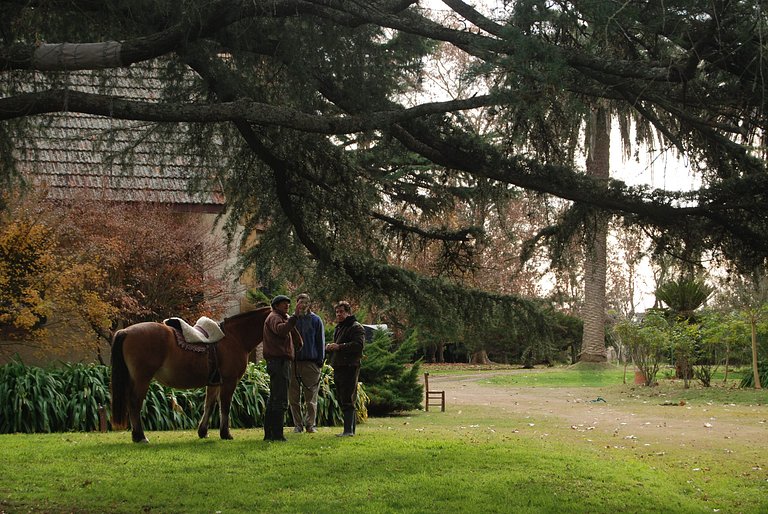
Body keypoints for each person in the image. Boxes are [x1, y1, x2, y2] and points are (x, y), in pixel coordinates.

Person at [262, 294, 304, 441]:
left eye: (288, 303)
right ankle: (277, 435)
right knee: (279, 399)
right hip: (278, 362)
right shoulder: (274, 317)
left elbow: (288, 331)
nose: (286, 305)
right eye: (283, 303)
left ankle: (270, 434)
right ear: (276, 305)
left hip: (279, 362)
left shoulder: (280, 317)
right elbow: (281, 330)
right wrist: (294, 317)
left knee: (274, 398)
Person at [325, 300, 365, 437]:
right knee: (342, 398)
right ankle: (349, 430)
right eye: (337, 312)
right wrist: (330, 347)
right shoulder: (339, 327)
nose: (339, 314)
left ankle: (349, 430)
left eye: (341, 312)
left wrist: (339, 347)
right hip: (338, 366)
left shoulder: (356, 327)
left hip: (350, 366)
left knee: (348, 398)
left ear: (348, 312)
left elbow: (358, 346)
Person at [289, 292, 326, 433]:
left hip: (311, 363)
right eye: (300, 302)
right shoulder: (291, 320)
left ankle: (310, 425)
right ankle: (298, 425)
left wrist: (319, 362)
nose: (303, 305)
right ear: (296, 303)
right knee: (293, 397)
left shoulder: (316, 320)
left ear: (309, 304)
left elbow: (320, 342)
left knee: (311, 398)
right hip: (293, 363)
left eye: (306, 302)